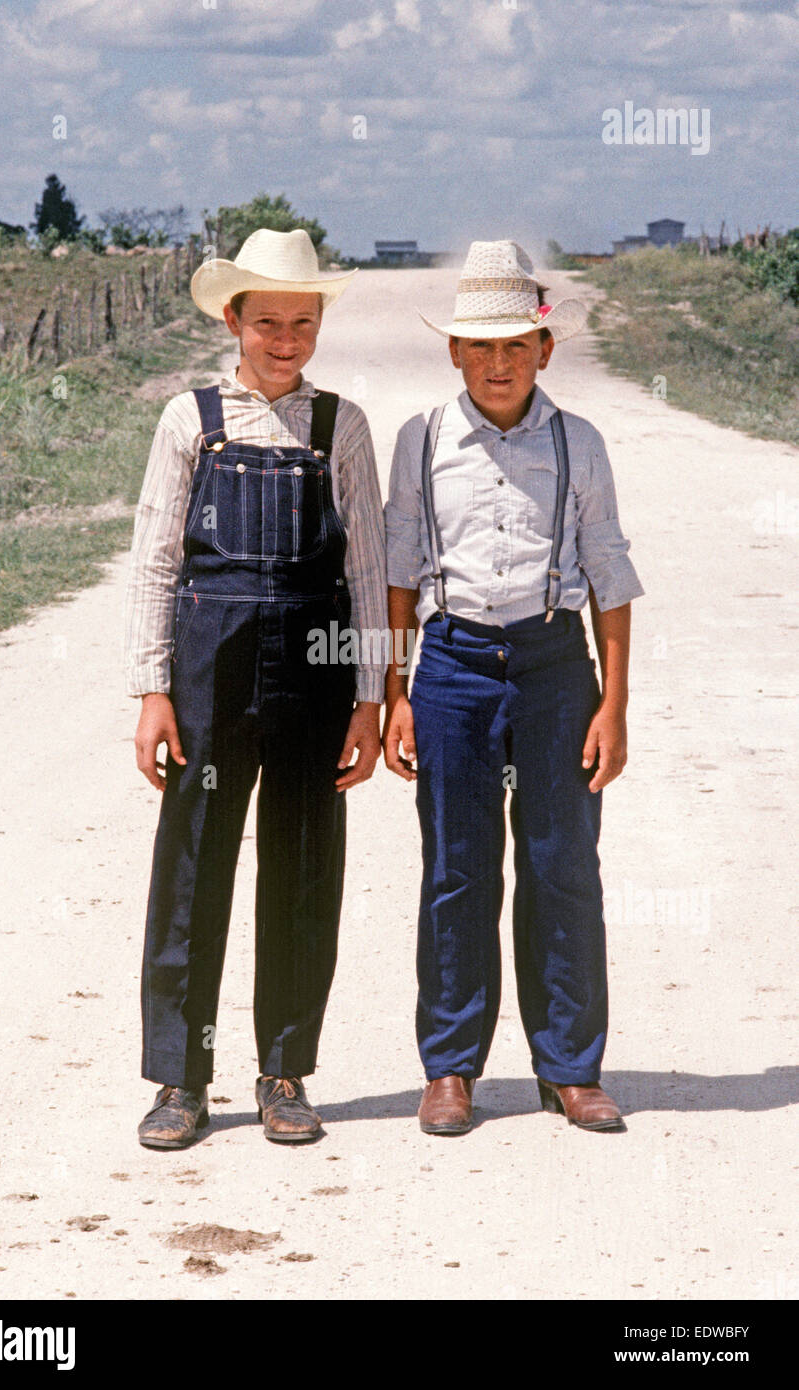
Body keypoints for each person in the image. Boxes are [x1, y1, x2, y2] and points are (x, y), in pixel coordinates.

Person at [125, 228, 387, 1148]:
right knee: (193, 862)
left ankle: (284, 1072)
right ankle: (179, 1081)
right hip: (210, 665)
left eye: (302, 320)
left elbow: (369, 562)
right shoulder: (188, 421)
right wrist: (152, 689)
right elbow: (157, 560)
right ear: (232, 319)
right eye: (268, 319)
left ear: (319, 323)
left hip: (317, 665)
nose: (285, 337)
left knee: (305, 864)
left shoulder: (339, 425)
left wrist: (369, 694)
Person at [383, 239, 644, 1135]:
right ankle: (450, 1067)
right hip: (451, 666)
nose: (499, 365)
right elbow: (400, 569)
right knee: (456, 871)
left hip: (552, 666)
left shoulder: (580, 443)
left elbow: (608, 570)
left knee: (561, 863)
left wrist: (613, 700)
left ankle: (570, 1066)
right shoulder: (421, 440)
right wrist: (396, 691)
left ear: (545, 350)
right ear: (453, 352)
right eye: (480, 347)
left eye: (516, 347)